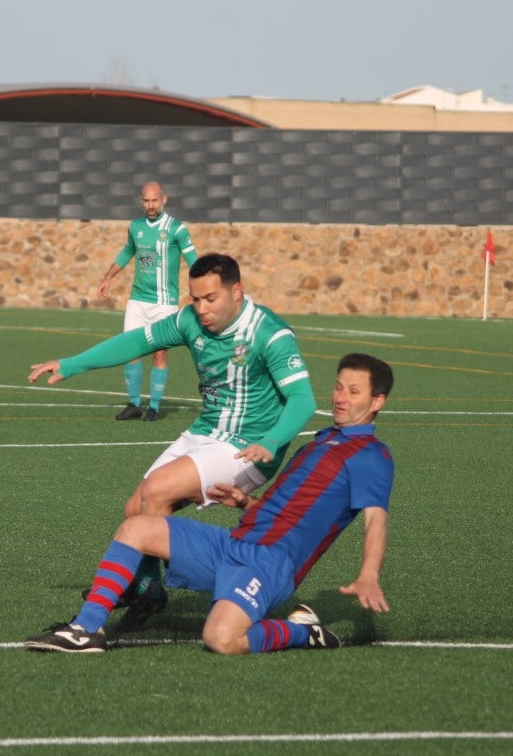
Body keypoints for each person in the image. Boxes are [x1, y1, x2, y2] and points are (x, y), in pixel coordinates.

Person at [25, 352, 394, 654]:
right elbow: (293, 510)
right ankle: (85, 629)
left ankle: (303, 632)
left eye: (354, 392)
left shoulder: (371, 455)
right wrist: (246, 502)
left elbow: (376, 518)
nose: (341, 398)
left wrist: (368, 575)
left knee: (220, 639)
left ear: (377, 401)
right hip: (233, 544)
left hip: (268, 566)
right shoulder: (322, 440)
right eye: (338, 387)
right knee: (135, 526)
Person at [30, 253, 317, 628]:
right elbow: (136, 342)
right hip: (205, 432)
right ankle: (149, 590)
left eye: (210, 299)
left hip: (248, 447)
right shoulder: (188, 320)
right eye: (195, 299)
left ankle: (228, 584)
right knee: (136, 508)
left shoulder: (270, 334)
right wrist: (71, 364)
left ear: (237, 291)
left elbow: (303, 400)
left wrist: (273, 439)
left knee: (159, 489)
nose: (201, 309)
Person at [97, 181, 197, 422]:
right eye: (146, 201)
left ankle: (153, 406)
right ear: (140, 201)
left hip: (164, 303)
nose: (151, 206)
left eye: (155, 200)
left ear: (164, 198)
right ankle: (133, 404)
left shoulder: (177, 229)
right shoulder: (135, 227)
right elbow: (126, 253)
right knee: (130, 350)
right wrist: (107, 278)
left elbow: (194, 261)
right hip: (137, 300)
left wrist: (201, 290)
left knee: (159, 354)